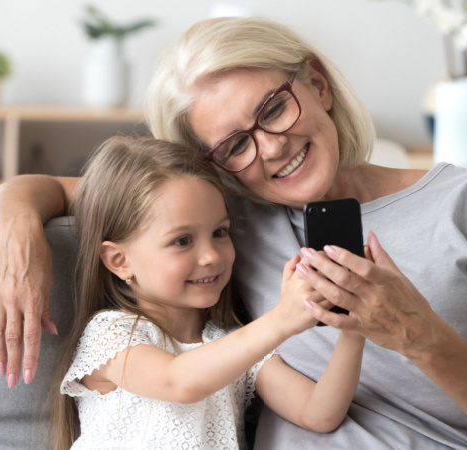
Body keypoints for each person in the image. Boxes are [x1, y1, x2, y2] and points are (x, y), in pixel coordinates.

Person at [0, 16, 467, 450]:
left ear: (317, 84)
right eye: (234, 144)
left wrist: (411, 333)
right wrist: (17, 235)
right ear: (210, 166)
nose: (271, 147)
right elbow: (49, 190)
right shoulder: (219, 216)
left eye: (274, 109)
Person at [50, 136, 364, 449]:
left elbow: (318, 413)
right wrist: (281, 319)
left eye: (219, 233)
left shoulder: (231, 344)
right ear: (120, 261)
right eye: (182, 240)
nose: (211, 256)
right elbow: (179, 382)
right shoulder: (110, 334)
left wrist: (355, 327)